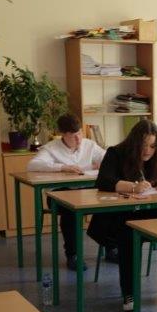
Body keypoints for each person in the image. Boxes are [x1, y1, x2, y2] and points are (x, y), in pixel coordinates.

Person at [88, 119, 157, 312]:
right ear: (134, 143)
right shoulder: (116, 153)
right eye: (143, 145)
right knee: (128, 233)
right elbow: (104, 181)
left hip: (151, 212)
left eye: (152, 146)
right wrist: (132, 186)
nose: (148, 151)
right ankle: (129, 292)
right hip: (122, 215)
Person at [27, 114, 106, 272]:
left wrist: (103, 165)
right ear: (62, 134)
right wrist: (62, 167)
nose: (78, 139)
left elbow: (108, 158)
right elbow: (33, 165)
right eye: (73, 136)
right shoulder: (51, 148)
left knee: (108, 202)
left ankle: (111, 247)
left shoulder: (89, 145)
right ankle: (73, 255)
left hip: (85, 191)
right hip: (58, 193)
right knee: (71, 209)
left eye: (79, 133)